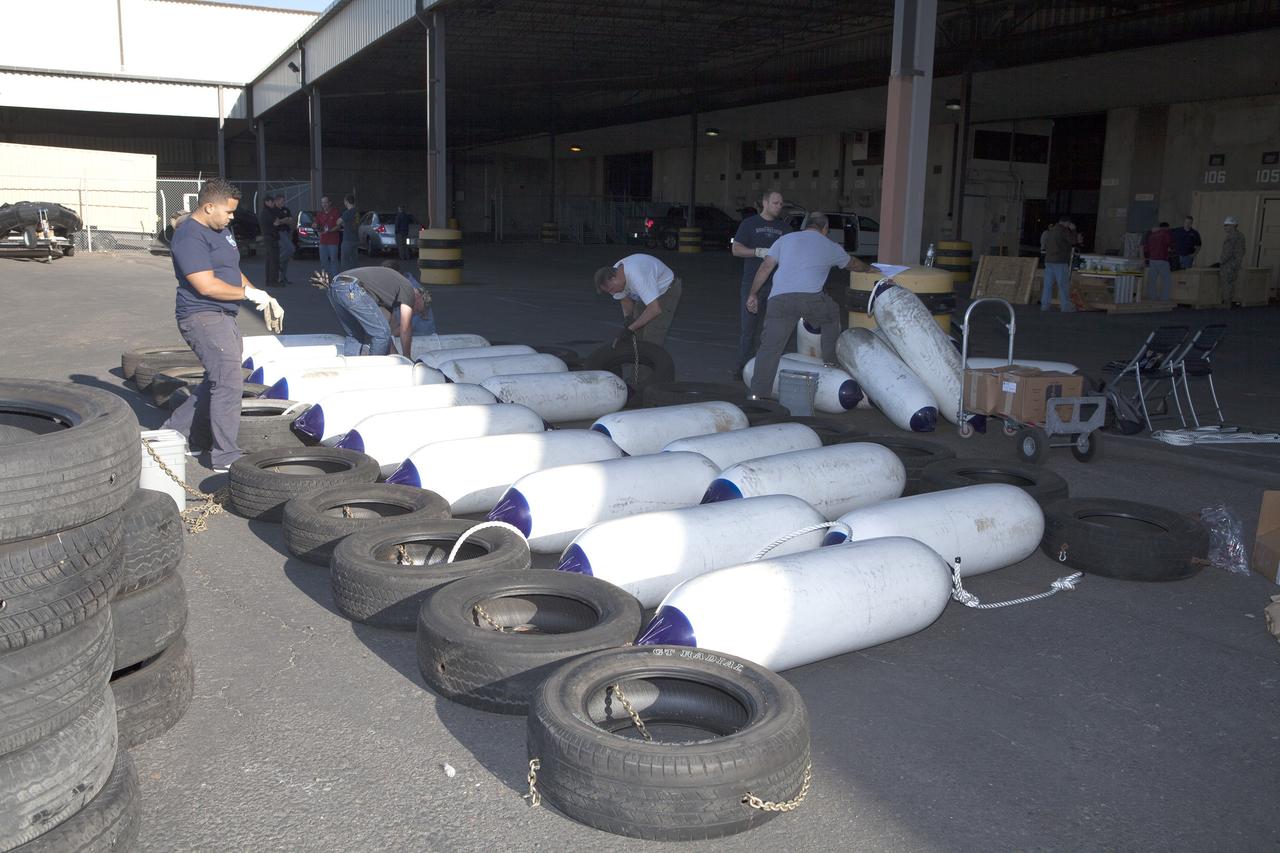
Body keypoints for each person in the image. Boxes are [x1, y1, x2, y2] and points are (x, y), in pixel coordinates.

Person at [162, 177, 275, 471]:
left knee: (218, 380)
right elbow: (206, 285)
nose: (232, 217)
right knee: (228, 382)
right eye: (228, 212)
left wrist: (259, 295)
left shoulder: (221, 231)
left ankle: (174, 433)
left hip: (225, 316)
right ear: (209, 206)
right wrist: (247, 294)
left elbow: (231, 271)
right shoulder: (190, 236)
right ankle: (225, 456)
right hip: (202, 315)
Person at [746, 213, 870, 401]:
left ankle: (757, 394)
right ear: (825, 229)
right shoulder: (830, 246)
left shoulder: (785, 239)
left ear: (805, 226)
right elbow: (853, 264)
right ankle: (830, 361)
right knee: (831, 314)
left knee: (769, 348)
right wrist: (869, 268)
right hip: (811, 301)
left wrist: (753, 294)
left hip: (779, 301)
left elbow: (766, 266)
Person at [730, 189, 790, 378]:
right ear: (764, 203)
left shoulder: (784, 228)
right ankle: (742, 369)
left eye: (781, 204)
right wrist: (757, 252)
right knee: (748, 329)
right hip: (752, 284)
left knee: (773, 330)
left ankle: (766, 370)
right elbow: (736, 249)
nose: (779, 207)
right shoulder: (749, 224)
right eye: (775, 203)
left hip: (777, 286)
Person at [326, 264, 430, 358]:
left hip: (336, 288)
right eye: (416, 309)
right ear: (419, 297)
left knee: (356, 334)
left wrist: (398, 358)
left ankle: (350, 367)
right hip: (350, 288)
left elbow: (386, 337)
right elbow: (405, 329)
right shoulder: (409, 291)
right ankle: (374, 369)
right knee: (381, 333)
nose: (413, 312)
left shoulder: (389, 297)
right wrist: (407, 357)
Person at [592, 254, 683, 348]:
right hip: (644, 293)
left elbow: (654, 309)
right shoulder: (616, 273)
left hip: (666, 290)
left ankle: (651, 358)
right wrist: (628, 319)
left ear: (613, 278)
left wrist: (630, 329)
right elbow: (624, 299)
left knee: (651, 336)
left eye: (611, 289)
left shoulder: (637, 276)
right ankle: (636, 360)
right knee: (636, 333)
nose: (612, 293)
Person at [1040, 216, 1080, 312]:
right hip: (1060, 260)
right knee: (1063, 284)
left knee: (1048, 284)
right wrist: (1073, 230)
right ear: (1067, 223)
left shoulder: (1051, 230)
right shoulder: (1063, 230)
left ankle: (1045, 305)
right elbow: (1073, 241)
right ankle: (1065, 306)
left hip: (1049, 260)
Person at [1143, 221, 1174, 301]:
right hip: (1163, 259)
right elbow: (1170, 244)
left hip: (1152, 260)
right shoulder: (1166, 234)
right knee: (1166, 280)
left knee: (1152, 280)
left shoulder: (1151, 236)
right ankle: (1164, 298)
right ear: (1167, 227)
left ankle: (1152, 297)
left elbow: (1146, 249)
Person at [1219, 216, 1246, 307]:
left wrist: (1222, 261)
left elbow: (1228, 252)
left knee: (1227, 283)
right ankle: (1228, 302)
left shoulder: (1232, 237)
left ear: (1233, 226)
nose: (1225, 227)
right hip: (1235, 263)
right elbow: (1243, 250)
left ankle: (1226, 303)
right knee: (1231, 282)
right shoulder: (1240, 235)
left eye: (1227, 225)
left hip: (1229, 264)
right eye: (1225, 225)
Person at [314, 195, 341, 278]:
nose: (324, 204)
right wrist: (315, 226)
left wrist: (330, 230)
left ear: (329, 203)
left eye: (325, 202)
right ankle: (326, 279)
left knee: (333, 261)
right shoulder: (320, 214)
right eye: (322, 203)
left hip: (333, 242)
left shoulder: (335, 212)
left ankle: (335, 279)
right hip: (323, 242)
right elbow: (317, 225)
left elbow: (339, 226)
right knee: (323, 262)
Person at [273, 195, 295, 284]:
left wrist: (283, 220)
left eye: (283, 201)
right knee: (290, 249)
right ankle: (277, 263)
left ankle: (282, 278)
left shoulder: (286, 209)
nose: (283, 203)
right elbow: (276, 222)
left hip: (287, 232)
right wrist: (284, 220)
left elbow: (291, 220)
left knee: (287, 258)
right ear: (276, 201)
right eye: (281, 201)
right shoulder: (273, 210)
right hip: (279, 233)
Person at [260, 195, 279, 286]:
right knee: (273, 260)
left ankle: (269, 280)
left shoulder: (266, 212)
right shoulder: (267, 212)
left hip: (269, 237)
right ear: (267, 202)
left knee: (269, 260)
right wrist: (276, 223)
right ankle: (273, 281)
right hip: (271, 237)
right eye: (272, 202)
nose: (273, 204)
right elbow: (275, 223)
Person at [339, 195, 359, 271]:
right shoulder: (357, 212)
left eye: (345, 201)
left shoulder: (347, 212)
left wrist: (342, 223)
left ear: (347, 202)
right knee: (354, 261)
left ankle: (345, 279)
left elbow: (338, 222)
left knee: (345, 261)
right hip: (355, 239)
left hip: (347, 239)